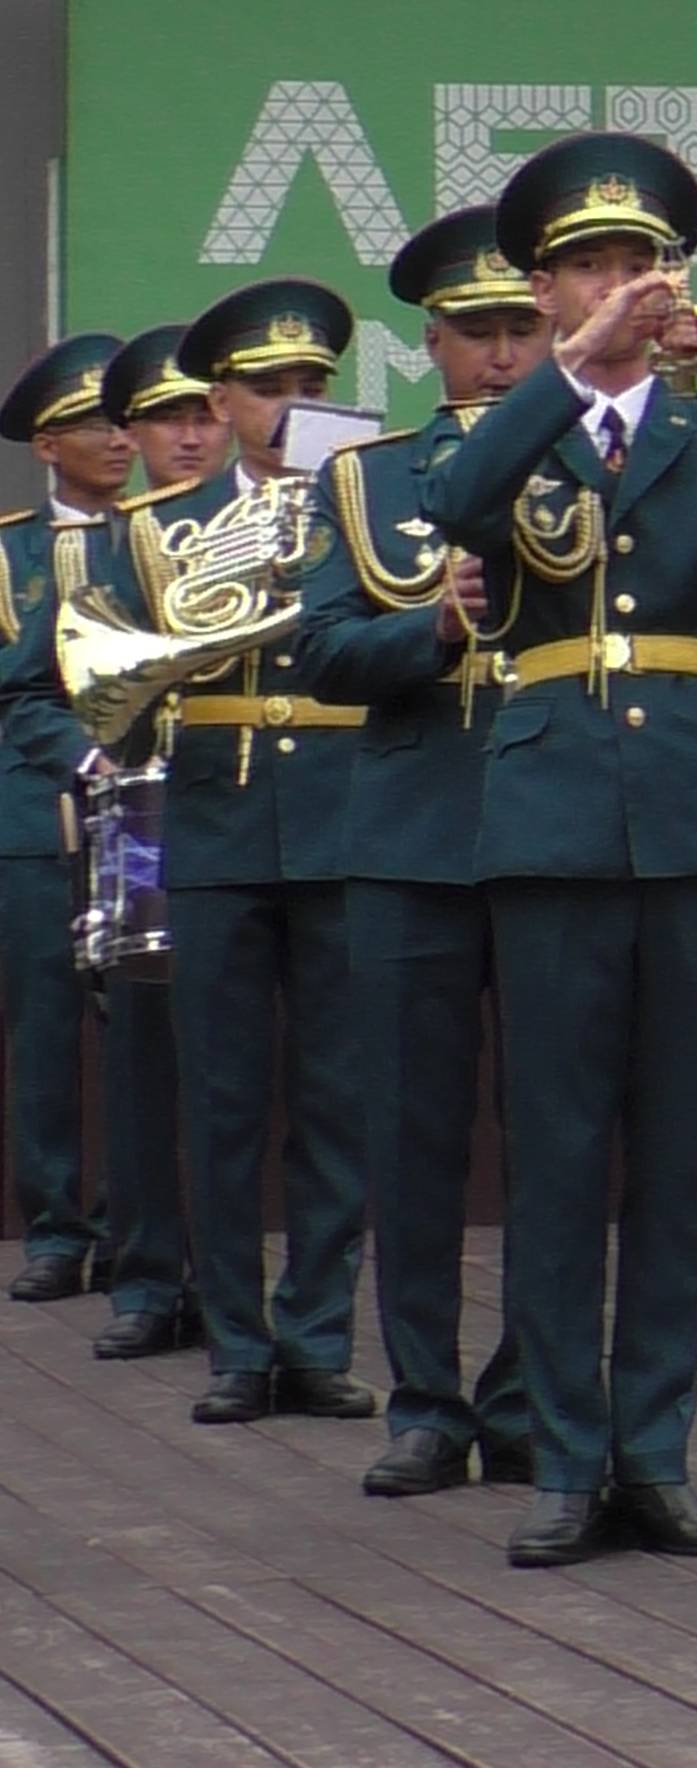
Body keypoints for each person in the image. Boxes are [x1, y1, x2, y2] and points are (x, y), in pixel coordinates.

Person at [426, 132, 697, 1564]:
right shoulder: (518, 425)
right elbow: (459, 506)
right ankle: (558, 1453)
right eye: (591, 267)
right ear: (543, 289)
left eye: (641, 265)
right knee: (556, 1149)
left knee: (674, 1157)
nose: (623, 289)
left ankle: (656, 1454)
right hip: (549, 814)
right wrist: (568, 368)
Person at [296, 208, 545, 1492]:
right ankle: (426, 1404)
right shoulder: (369, 479)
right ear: (432, 343)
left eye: (524, 330)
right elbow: (322, 651)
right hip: (409, 834)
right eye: (478, 334)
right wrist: (431, 639)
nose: (502, 358)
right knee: (412, 1132)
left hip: (560, 835)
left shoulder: (593, 458)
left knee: (556, 1135)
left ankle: (524, 1399)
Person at [146, 277, 376, 1429]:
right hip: (222, 822)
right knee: (226, 1099)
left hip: (341, 819)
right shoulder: (165, 526)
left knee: (337, 1101)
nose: (290, 407)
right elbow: (94, 692)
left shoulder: (371, 510)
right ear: (221, 401)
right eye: (266, 389)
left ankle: (320, 1336)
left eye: (309, 388)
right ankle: (238, 1343)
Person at [61, 328, 212, 1360]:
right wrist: (89, 746)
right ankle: (150, 1279)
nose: (192, 435)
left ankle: (257, 1298)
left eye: (207, 412)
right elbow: (37, 685)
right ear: (134, 433)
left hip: (262, 811)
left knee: (266, 1075)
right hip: (145, 824)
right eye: (168, 419)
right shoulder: (94, 547)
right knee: (147, 1063)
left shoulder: (281, 520)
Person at [0, 333, 125, 1311]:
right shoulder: (10, 552)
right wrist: (81, 756)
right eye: (93, 424)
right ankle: (53, 1227)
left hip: (154, 815)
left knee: (142, 1029)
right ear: (47, 445)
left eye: (129, 419)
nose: (119, 439)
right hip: (38, 818)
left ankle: (138, 1225)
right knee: (45, 1035)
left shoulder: (165, 533)